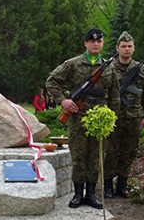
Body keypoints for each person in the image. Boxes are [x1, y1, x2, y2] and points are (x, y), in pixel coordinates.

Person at [45, 27, 120, 209]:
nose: (96, 44)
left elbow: (114, 95)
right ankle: (78, 194)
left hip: (99, 119)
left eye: (99, 41)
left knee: (95, 156)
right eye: (92, 41)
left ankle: (91, 194)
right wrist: (63, 101)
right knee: (79, 156)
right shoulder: (73, 64)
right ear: (86, 43)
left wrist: (112, 117)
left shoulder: (109, 67)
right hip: (78, 116)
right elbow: (51, 81)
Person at [103, 31, 144, 199]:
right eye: (123, 46)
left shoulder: (141, 69)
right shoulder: (109, 67)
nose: (126, 49)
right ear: (117, 48)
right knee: (110, 151)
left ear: (134, 48)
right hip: (113, 117)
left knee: (129, 151)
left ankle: (122, 185)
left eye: (129, 46)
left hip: (134, 116)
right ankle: (108, 185)